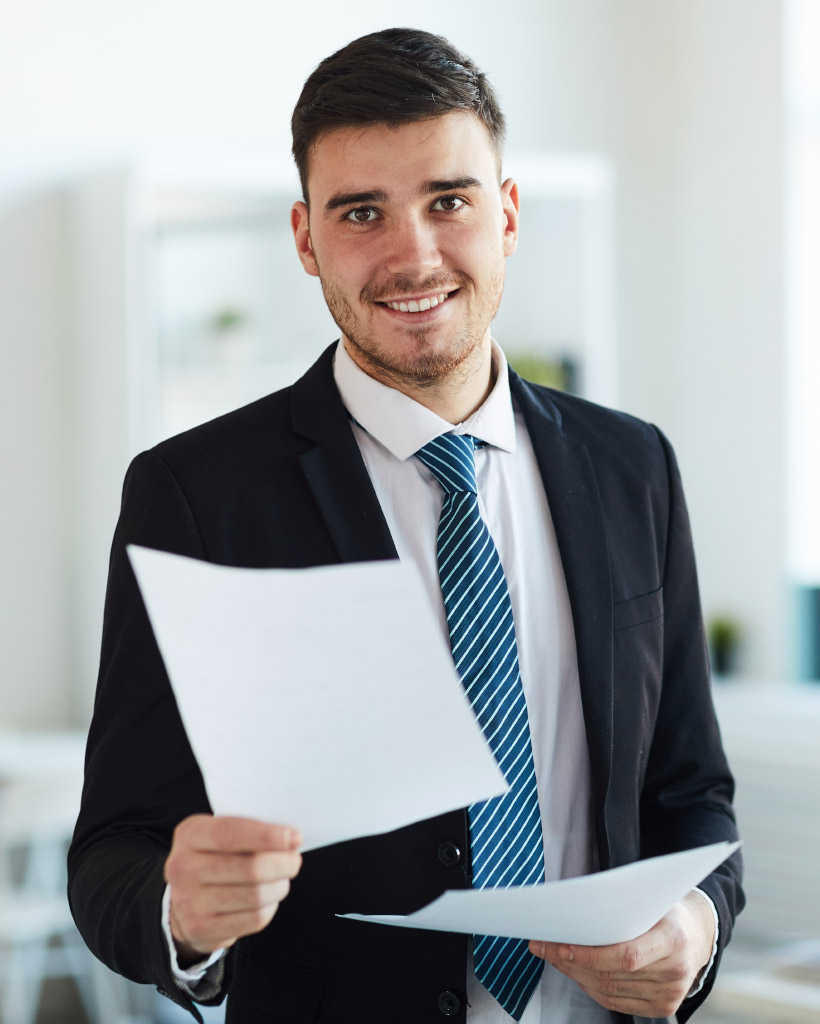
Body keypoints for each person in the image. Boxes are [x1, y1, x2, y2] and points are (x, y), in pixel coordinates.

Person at [68, 27, 743, 1024]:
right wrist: (184, 910)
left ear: (506, 214)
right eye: (361, 212)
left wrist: (693, 930)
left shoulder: (632, 464)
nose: (411, 253)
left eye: (449, 201)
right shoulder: (196, 493)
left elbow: (692, 794)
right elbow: (114, 845)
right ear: (305, 238)